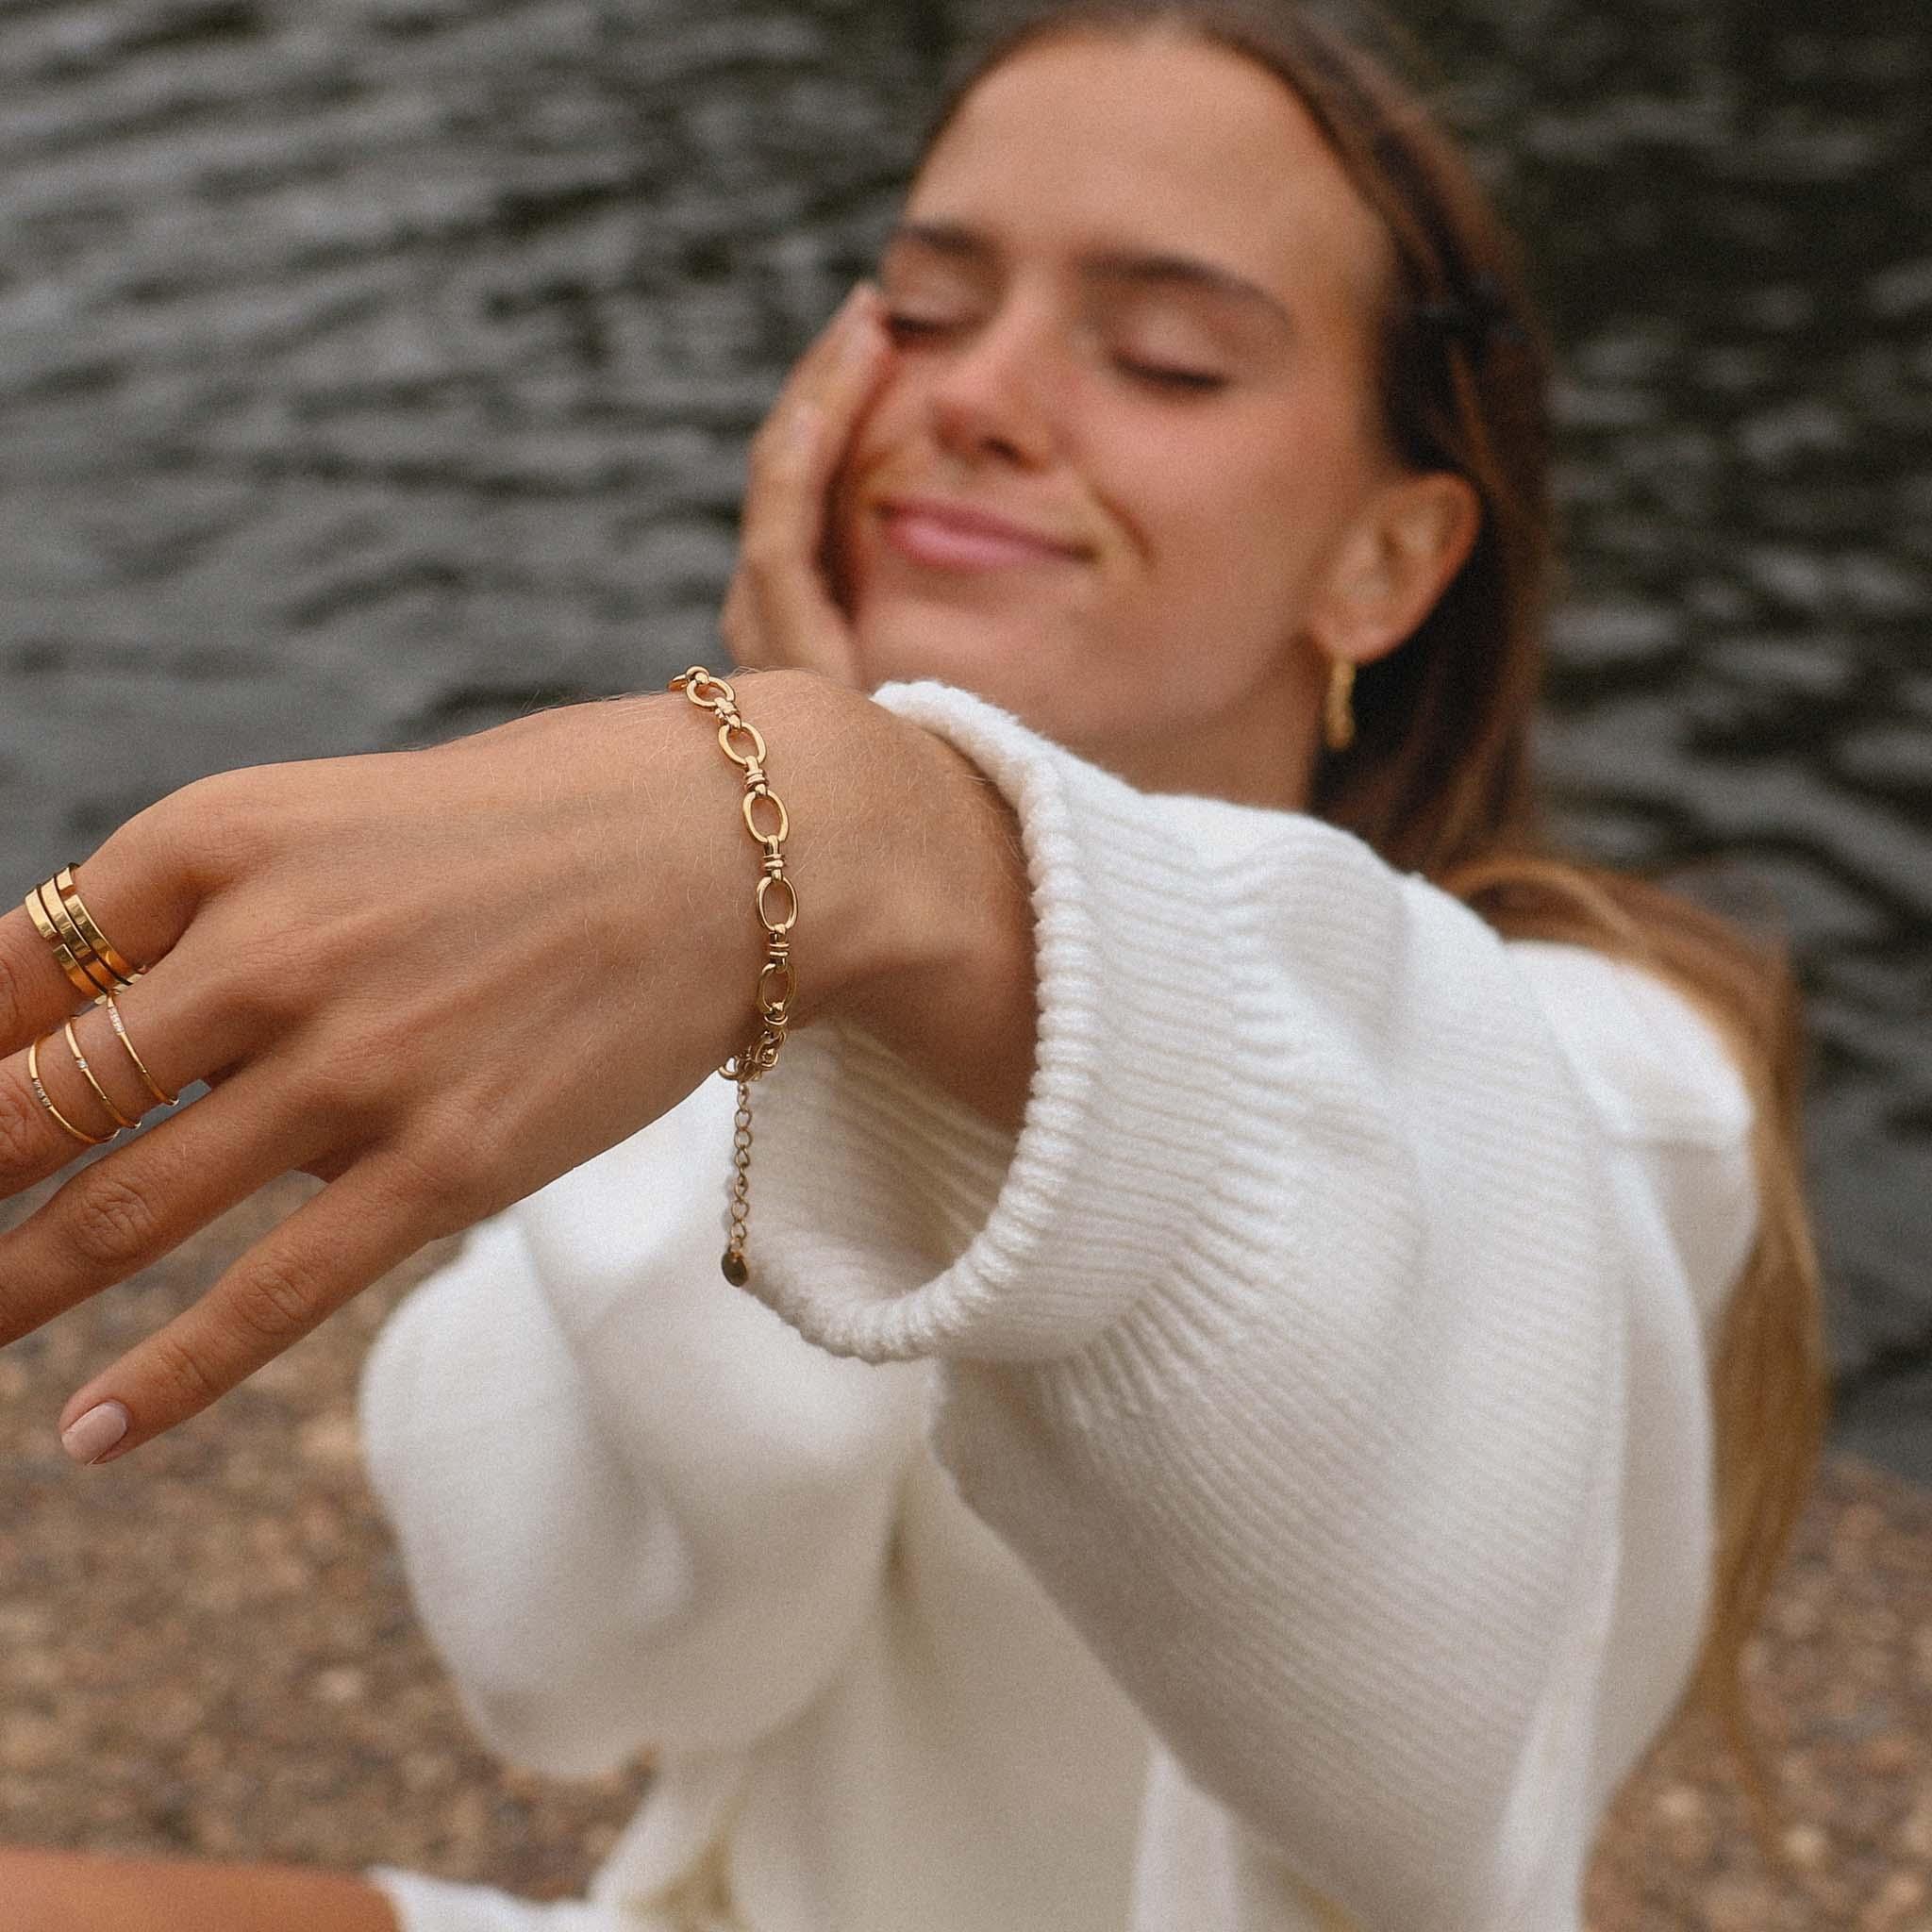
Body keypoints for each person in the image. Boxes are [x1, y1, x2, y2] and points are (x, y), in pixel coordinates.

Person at [0, 2, 1828, 1927]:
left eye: (1166, 357)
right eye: (928, 306)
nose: (982, 396)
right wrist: (799, 907)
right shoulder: (744, 919)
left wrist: (853, 815)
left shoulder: (1616, 1076)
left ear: (1384, 558)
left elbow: (1414, 1761)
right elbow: (570, 1662)